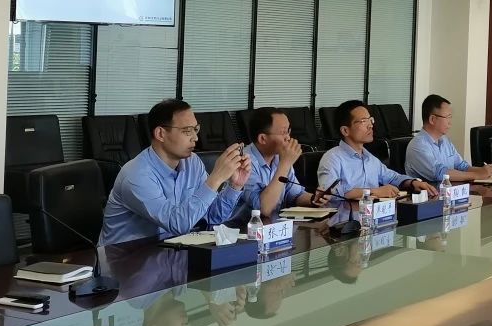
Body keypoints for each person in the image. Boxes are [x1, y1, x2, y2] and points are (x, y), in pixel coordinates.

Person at [99, 99, 250, 245]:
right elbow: (177, 224)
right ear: (160, 134)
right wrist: (215, 178)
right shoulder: (136, 175)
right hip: (125, 257)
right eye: (187, 131)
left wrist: (234, 186)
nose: (195, 138)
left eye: (196, 129)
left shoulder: (192, 162)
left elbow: (211, 216)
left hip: (168, 251)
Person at [317, 100, 436, 222]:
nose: (370, 125)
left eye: (370, 120)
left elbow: (392, 178)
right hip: (343, 225)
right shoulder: (332, 158)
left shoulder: (370, 159)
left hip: (370, 221)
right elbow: (331, 193)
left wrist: (413, 183)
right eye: (364, 121)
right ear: (345, 131)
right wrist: (375, 192)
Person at [241, 107, 327, 218]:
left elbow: (295, 195)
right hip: (246, 226)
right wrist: (285, 164)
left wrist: (314, 199)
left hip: (276, 224)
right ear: (262, 138)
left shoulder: (279, 157)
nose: (288, 138)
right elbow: (263, 209)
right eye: (283, 132)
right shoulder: (244, 161)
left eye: (288, 131)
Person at [405, 94, 492, 182]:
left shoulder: (445, 141)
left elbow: (462, 166)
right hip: (430, 195)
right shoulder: (418, 145)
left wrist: (486, 170)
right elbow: (440, 174)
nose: (450, 122)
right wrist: (478, 175)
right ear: (432, 119)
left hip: (450, 192)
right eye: (447, 117)